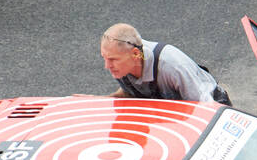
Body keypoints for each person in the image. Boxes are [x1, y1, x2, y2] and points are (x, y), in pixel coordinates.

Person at [99, 23, 231, 104]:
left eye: (112, 59)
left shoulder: (172, 67)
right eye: (104, 58)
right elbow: (133, 91)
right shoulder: (123, 62)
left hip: (210, 105)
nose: (107, 66)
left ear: (135, 54)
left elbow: (206, 108)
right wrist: (97, 103)